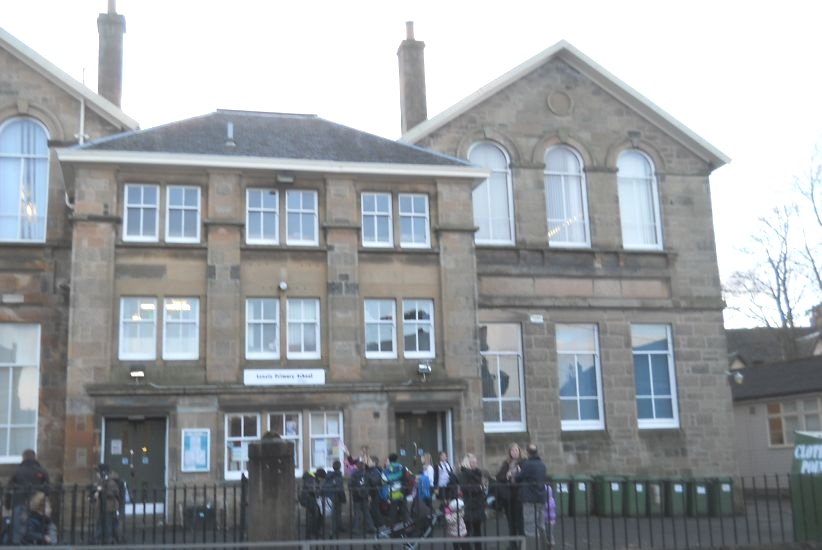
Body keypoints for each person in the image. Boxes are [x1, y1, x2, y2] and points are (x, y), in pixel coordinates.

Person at [6, 449, 50, 545]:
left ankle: (17, 544)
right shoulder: (42, 471)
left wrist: (7, 504)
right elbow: (48, 488)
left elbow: (9, 488)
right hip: (37, 505)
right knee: (35, 529)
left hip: (19, 502)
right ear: (35, 457)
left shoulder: (17, 471)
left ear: (23, 457)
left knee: (18, 531)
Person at [514, 444, 547, 550]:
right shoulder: (542, 464)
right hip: (541, 498)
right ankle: (544, 546)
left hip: (530, 498)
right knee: (541, 525)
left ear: (528, 452)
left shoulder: (527, 464)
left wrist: (516, 473)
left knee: (530, 527)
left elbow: (519, 477)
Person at [495, 442, 524, 545]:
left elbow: (527, 477)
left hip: (519, 496)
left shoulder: (523, 462)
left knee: (520, 522)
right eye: (512, 450)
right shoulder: (506, 463)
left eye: (516, 450)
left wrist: (520, 473)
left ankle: (522, 545)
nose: (514, 452)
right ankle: (513, 544)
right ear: (509, 452)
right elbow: (498, 477)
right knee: (511, 522)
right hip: (509, 496)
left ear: (519, 451)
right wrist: (506, 475)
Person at [457, 453, 485, 550]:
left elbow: (481, 486)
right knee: (467, 531)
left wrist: (480, 488)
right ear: (467, 463)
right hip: (468, 504)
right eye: (472, 462)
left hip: (478, 504)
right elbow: (466, 488)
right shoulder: (463, 474)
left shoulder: (478, 473)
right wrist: (479, 488)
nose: (475, 464)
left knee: (477, 531)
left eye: (475, 462)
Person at [92, 463, 121, 544]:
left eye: (99, 471)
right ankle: (98, 539)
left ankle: (110, 540)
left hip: (109, 506)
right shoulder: (103, 479)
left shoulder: (112, 481)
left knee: (109, 523)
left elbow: (113, 493)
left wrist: (102, 490)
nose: (97, 473)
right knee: (100, 522)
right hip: (102, 505)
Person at [349, 458, 376, 536]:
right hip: (365, 495)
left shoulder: (354, 475)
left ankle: (356, 529)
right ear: (364, 467)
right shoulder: (367, 474)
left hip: (356, 496)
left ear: (357, 467)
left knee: (357, 513)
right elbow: (373, 482)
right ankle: (371, 527)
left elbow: (350, 485)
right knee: (366, 512)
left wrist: (354, 490)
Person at [382, 453, 409, 525]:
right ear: (397, 459)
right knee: (404, 509)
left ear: (389, 460)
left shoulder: (387, 469)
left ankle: (392, 526)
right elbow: (408, 476)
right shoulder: (402, 467)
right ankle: (406, 524)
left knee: (393, 510)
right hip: (402, 491)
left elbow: (383, 480)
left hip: (393, 492)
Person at [322, 460, 347, 537]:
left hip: (329, 496)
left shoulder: (328, 475)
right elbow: (340, 488)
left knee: (334, 514)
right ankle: (334, 530)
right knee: (336, 513)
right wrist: (343, 498)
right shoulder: (338, 476)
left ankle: (337, 527)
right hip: (336, 496)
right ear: (340, 467)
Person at [299, 469, 322, 539]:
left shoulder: (311, 476)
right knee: (312, 517)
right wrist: (318, 491)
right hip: (309, 499)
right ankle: (309, 535)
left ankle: (312, 532)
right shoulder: (312, 478)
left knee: (314, 516)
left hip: (308, 499)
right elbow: (313, 490)